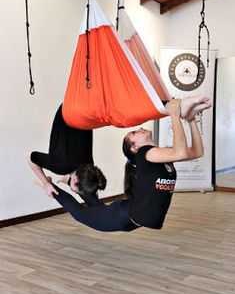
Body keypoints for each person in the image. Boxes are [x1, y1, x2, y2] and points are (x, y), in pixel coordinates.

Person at [36, 98, 208, 232]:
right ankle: (52, 187)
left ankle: (69, 182)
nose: (140, 128)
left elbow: (197, 152)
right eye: (134, 132)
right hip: (123, 217)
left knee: (97, 207)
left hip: (126, 216)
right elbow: (181, 152)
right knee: (81, 214)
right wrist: (175, 115)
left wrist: (191, 120)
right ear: (135, 147)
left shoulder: (156, 155)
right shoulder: (145, 154)